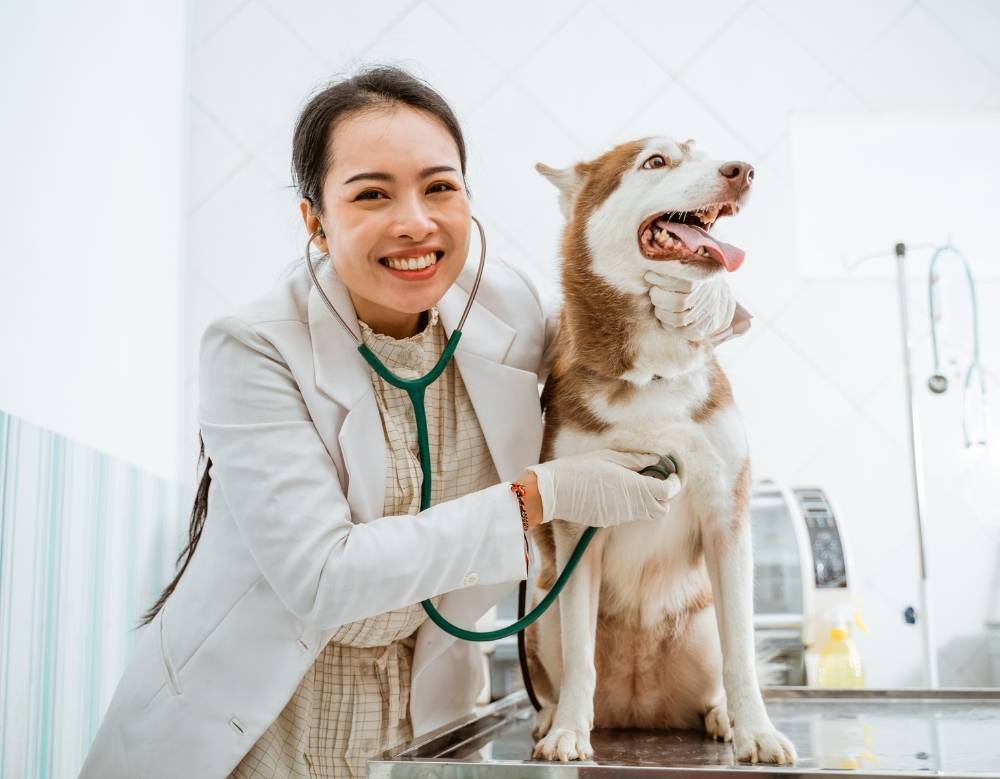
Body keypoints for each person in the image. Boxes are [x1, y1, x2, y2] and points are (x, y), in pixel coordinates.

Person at [79, 65, 748, 779]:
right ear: (315, 219)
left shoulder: (507, 307)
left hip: (422, 726)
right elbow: (322, 579)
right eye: (372, 193)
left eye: (439, 187)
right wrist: (537, 496)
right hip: (258, 726)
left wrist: (712, 304)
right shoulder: (253, 348)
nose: (415, 222)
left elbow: (620, 338)